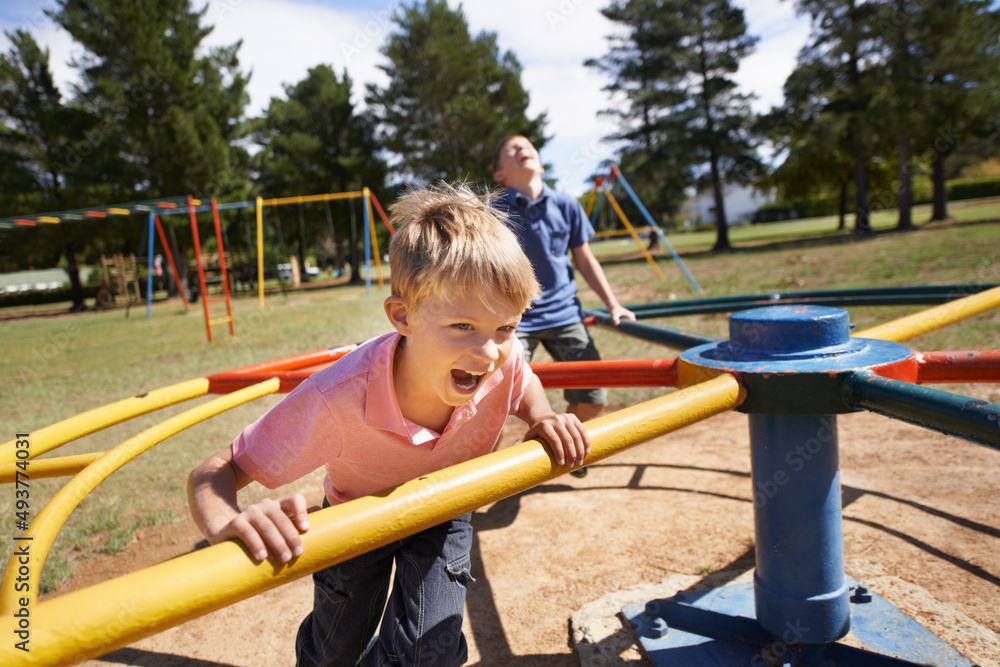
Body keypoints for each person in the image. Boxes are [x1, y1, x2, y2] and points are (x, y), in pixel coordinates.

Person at [187, 183, 589, 667]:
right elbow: (217, 470)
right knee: (335, 650)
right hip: (358, 517)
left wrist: (542, 416)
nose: (488, 353)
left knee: (429, 652)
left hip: (445, 505)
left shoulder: (502, 357)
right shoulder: (338, 397)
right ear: (403, 316)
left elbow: (518, 377)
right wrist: (224, 523)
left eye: (504, 327)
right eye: (463, 326)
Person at [492, 135, 636, 476]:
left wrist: (613, 304)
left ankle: (555, 444)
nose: (521, 149)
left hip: (563, 313)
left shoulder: (566, 205)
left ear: (540, 164)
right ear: (501, 174)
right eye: (511, 149)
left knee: (593, 399)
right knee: (491, 404)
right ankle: (476, 479)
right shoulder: (494, 211)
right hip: (515, 318)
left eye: (527, 146)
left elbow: (585, 260)